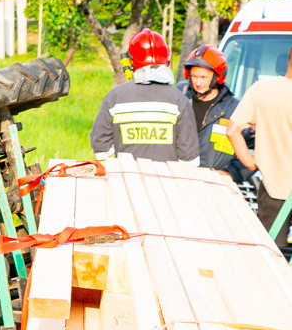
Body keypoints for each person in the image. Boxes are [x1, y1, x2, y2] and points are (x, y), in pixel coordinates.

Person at [91, 28, 199, 164]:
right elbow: (190, 159)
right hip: (167, 182)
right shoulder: (180, 100)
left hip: (127, 179)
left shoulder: (114, 98)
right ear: (165, 59)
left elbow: (101, 150)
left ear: (132, 61)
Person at [227, 46, 292, 246]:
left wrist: (251, 163)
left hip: (275, 190)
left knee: (272, 255)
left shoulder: (262, 89)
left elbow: (232, 130)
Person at [182, 45, 243, 175]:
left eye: (203, 77)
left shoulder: (236, 110)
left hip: (218, 186)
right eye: (194, 76)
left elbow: (253, 149)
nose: (198, 83)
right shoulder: (181, 104)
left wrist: (231, 173)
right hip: (181, 180)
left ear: (218, 77)